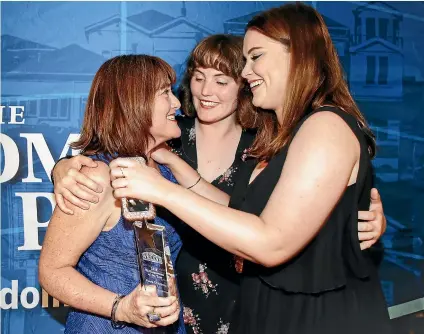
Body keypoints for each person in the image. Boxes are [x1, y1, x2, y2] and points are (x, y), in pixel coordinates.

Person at [51, 34, 387, 333]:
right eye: (196, 79)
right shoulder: (167, 142)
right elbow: (54, 267)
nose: (188, 97)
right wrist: (64, 169)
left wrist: (356, 212)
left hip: (238, 305)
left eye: (222, 81)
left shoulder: (263, 146)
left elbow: (265, 210)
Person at [39, 55, 185, 334]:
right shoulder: (97, 176)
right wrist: (121, 307)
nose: (177, 103)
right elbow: (52, 271)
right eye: (165, 93)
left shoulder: (167, 166)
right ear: (134, 103)